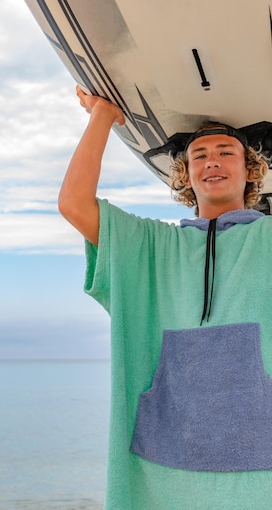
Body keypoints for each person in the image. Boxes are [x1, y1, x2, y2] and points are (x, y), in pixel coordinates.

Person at [59, 85, 272, 509]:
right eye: (199, 155)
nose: (212, 160)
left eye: (226, 152)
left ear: (250, 170)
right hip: (164, 466)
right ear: (186, 177)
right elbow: (74, 203)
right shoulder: (152, 245)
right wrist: (102, 115)